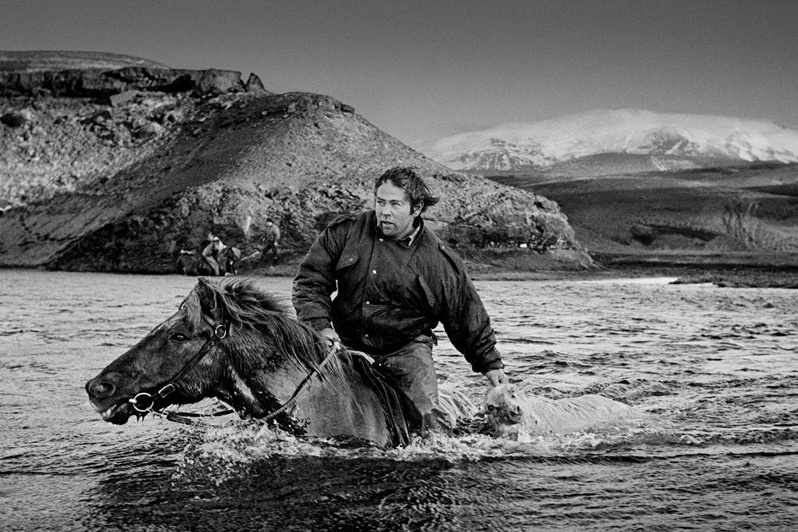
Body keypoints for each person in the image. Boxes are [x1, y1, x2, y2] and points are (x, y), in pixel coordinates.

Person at [292, 166, 508, 435]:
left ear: (416, 208)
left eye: (395, 204)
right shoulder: (345, 232)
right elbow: (310, 281)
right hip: (342, 344)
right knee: (296, 407)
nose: (385, 211)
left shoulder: (438, 261)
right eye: (380, 202)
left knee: (428, 428)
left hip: (406, 351)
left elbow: (465, 314)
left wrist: (490, 364)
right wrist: (319, 326)